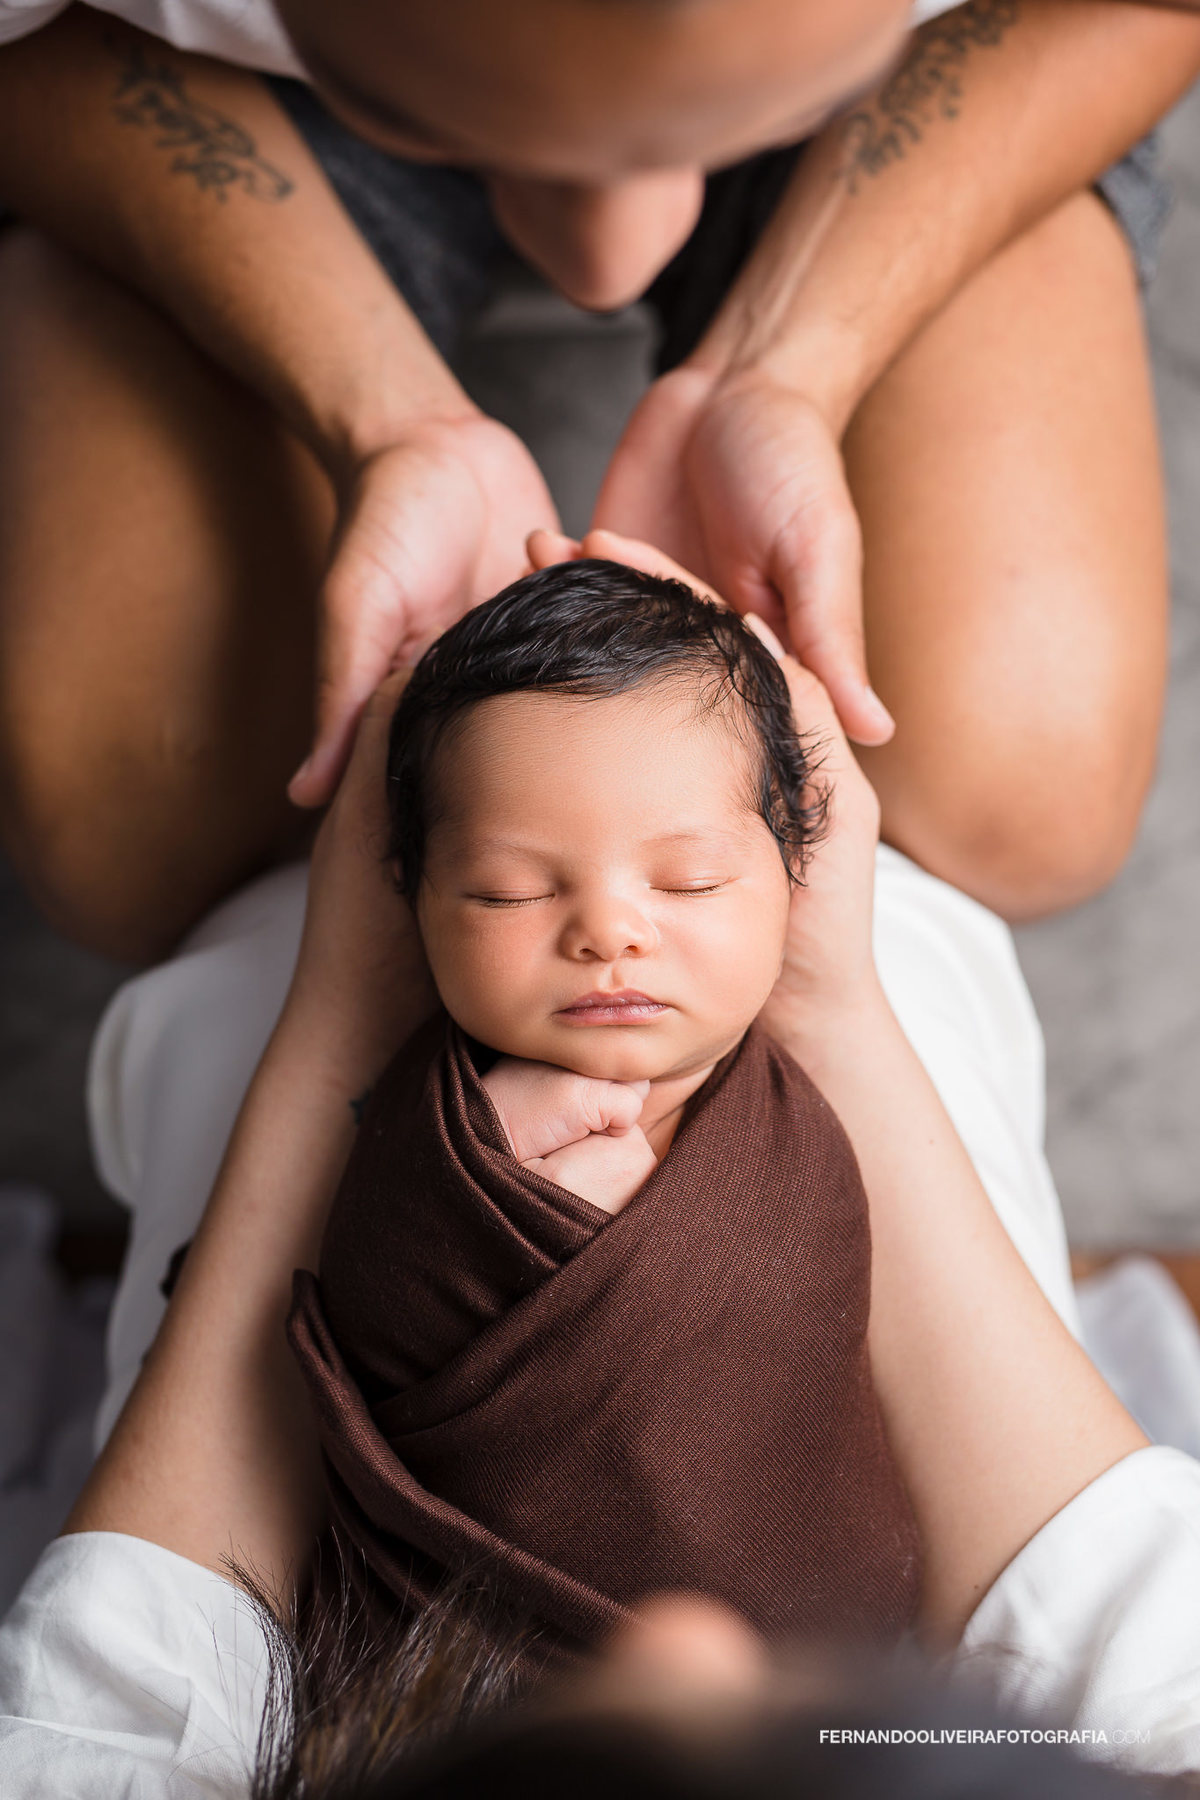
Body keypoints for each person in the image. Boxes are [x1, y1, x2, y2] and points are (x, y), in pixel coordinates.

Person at [4, 531, 1200, 1799]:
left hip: (387, 1626)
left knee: (181, 871)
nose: (612, 931)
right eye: (513, 891)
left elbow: (325, 1348)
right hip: (865, 1577)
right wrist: (837, 1005)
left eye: (687, 880)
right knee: (992, 824)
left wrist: (356, 1041)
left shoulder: (410, 1109)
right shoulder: (995, 1753)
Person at [0, 0, 1198, 962]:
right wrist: (377, 405)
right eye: (427, 115)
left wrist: (793, 355)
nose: (603, 269)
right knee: (132, 834)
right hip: (207, 89)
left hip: (945, 82)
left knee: (1027, 799)